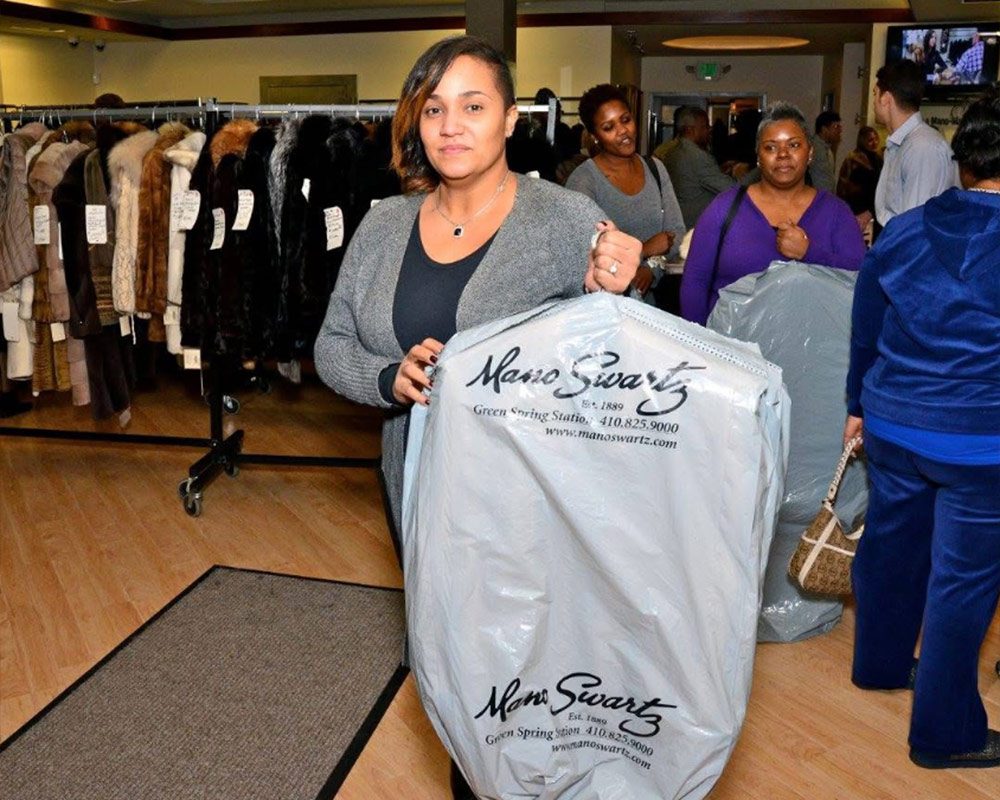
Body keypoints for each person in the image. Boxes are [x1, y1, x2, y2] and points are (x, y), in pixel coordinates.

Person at [312, 38, 641, 799]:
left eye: (472, 106)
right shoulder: (383, 226)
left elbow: (618, 359)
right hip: (417, 486)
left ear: (511, 119)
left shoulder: (564, 219)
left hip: (532, 502)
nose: (451, 125)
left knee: (535, 677)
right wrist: (387, 377)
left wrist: (622, 287)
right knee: (456, 674)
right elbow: (330, 343)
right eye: (434, 109)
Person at [843, 86, 1000, 770]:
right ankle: (944, 734)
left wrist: (856, 402)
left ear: (963, 159)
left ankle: (878, 664)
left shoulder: (903, 229)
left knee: (892, 546)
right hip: (980, 442)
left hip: (893, 423)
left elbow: (866, 327)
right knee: (961, 584)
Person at [680, 102, 865, 325]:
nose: (783, 154)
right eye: (771, 147)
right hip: (729, 344)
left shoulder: (836, 213)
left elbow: (861, 280)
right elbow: (695, 282)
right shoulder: (725, 208)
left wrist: (809, 252)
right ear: (758, 156)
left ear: (810, 153)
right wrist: (700, 340)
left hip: (813, 345)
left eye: (794, 145)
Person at [565, 83, 685, 300]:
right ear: (595, 136)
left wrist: (651, 267)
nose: (622, 131)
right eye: (608, 127)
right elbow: (585, 253)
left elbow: (675, 234)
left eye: (626, 120)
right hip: (603, 305)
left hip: (649, 303)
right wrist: (644, 249)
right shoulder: (584, 181)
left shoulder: (655, 168)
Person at [872, 60, 957, 230]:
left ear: (886, 99)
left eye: (875, 93)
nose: (873, 102)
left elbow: (915, 228)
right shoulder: (902, 145)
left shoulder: (922, 147)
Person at [661, 106, 736, 229]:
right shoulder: (697, 156)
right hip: (696, 225)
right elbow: (731, 188)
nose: (709, 130)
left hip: (680, 220)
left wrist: (719, 170)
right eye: (704, 126)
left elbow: (694, 178)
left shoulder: (672, 152)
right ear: (690, 130)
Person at [836, 125, 883, 231]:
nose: (874, 143)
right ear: (863, 141)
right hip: (857, 207)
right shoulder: (853, 159)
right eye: (870, 140)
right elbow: (843, 187)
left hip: (875, 208)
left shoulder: (879, 159)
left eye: (876, 139)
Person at [811, 110, 842, 192]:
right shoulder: (812, 148)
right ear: (824, 129)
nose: (840, 130)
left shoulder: (828, 150)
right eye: (836, 127)